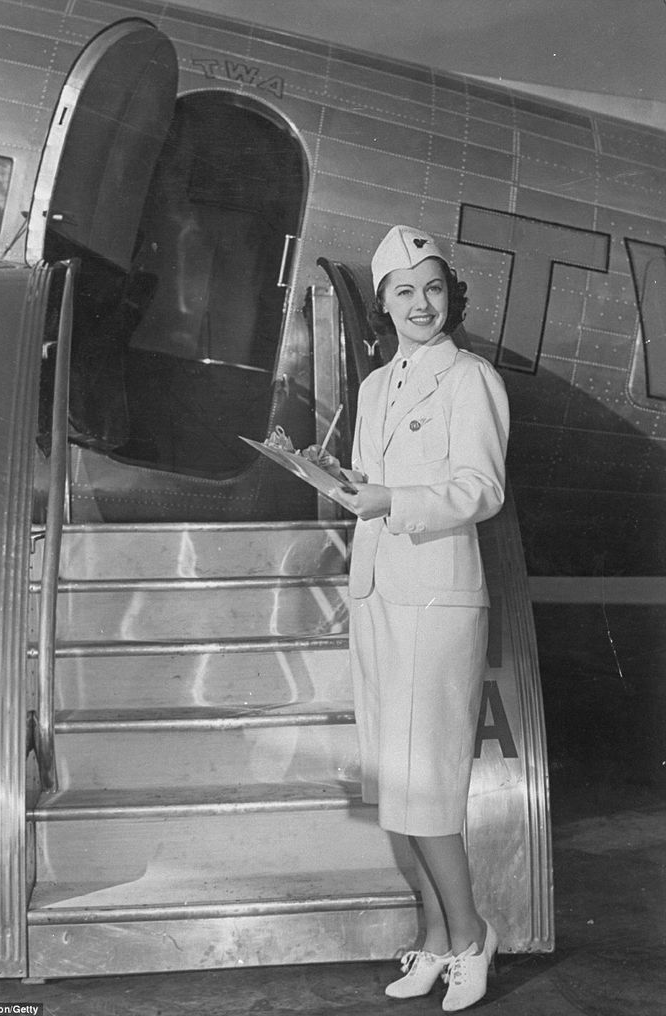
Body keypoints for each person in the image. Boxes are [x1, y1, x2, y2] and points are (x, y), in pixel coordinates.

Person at [335, 225, 509, 1011]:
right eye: (403, 292)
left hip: (438, 600)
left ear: (451, 295)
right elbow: (372, 485)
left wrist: (392, 501)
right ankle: (435, 939)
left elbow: (481, 489)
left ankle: (471, 936)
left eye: (433, 288)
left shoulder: (471, 379)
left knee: (428, 786)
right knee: (395, 785)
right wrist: (337, 482)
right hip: (377, 594)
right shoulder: (375, 387)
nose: (421, 304)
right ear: (383, 305)